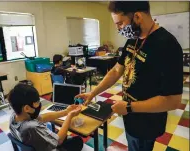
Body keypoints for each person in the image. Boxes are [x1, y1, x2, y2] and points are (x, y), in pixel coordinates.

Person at [76, 1, 183, 151]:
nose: (118, 28)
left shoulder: (167, 45)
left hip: (147, 122)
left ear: (137, 16)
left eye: (120, 23)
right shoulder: (133, 39)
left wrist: (129, 107)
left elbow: (173, 101)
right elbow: (116, 70)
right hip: (130, 116)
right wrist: (93, 92)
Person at [8, 83, 83, 151]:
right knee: (77, 141)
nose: (39, 104)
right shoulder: (32, 127)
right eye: (37, 102)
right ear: (27, 108)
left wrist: (66, 112)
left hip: (33, 143)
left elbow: (42, 118)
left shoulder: (15, 116)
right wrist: (69, 116)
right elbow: (59, 141)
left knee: (62, 134)